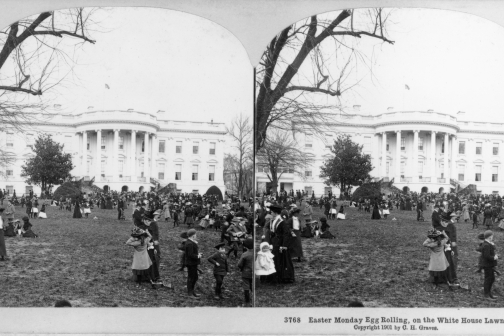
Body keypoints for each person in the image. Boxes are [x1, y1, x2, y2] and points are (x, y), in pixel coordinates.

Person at [268, 205, 295, 284]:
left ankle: (281, 277)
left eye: (272, 212)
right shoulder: (275, 220)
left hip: (280, 243)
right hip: (275, 242)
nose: (271, 213)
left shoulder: (282, 221)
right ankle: (275, 277)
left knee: (279, 260)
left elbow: (286, 234)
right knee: (275, 259)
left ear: (276, 213)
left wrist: (284, 245)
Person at [184, 229, 202, 299]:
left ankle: (192, 291)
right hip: (191, 263)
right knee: (191, 278)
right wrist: (198, 256)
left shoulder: (190, 242)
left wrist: (198, 254)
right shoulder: (189, 243)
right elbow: (190, 255)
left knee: (195, 277)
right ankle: (190, 293)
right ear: (193, 235)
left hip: (193, 263)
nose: (196, 235)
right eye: (195, 234)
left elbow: (192, 253)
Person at [481, 230, 499, 300]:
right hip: (487, 265)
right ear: (489, 237)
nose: (492, 237)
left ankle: (489, 293)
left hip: (490, 265)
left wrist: (492, 245)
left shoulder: (488, 244)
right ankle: (486, 294)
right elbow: (486, 256)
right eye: (492, 236)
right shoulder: (486, 245)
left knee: (491, 278)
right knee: (488, 279)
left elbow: (492, 251)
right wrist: (494, 257)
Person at [237, 238, 254, 306]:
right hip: (254, 273)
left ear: (245, 246)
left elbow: (239, 264)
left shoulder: (245, 254)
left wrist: (242, 268)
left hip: (246, 273)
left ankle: (247, 301)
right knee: (252, 285)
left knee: (246, 286)